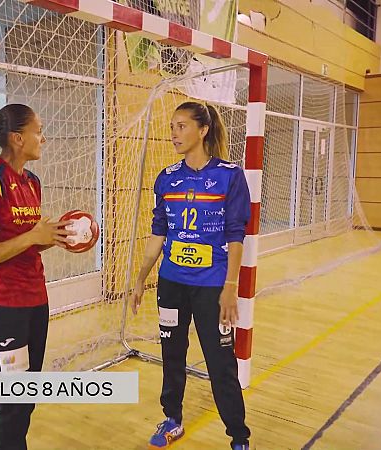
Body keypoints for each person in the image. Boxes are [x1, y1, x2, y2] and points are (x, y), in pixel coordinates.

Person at [130, 102, 252, 450]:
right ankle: (172, 419)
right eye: (172, 127)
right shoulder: (167, 178)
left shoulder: (230, 175)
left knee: (220, 362)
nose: (174, 134)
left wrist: (230, 288)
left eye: (182, 126)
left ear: (203, 130)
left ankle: (239, 437)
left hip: (212, 286)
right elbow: (158, 233)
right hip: (172, 285)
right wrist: (141, 278)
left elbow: (235, 235)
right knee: (172, 354)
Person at [0, 104, 73, 450]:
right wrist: (31, 237)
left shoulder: (32, 182)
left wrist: (52, 237)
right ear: (17, 138)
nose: (43, 137)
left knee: (26, 395)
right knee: (12, 400)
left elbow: (24, 243)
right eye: (38, 130)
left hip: (34, 299)